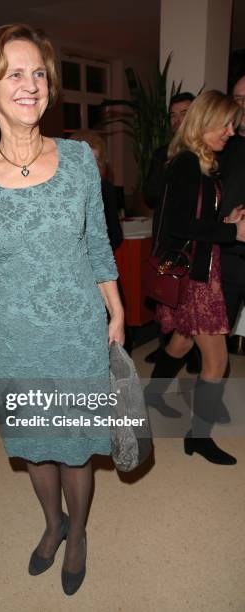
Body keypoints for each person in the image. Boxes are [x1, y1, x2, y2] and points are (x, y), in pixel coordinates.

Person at [0, 24, 124, 596]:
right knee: (33, 442)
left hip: (78, 328)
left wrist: (116, 309)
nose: (32, 84)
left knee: (75, 445)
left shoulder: (77, 159)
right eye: (15, 74)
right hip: (17, 334)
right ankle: (52, 525)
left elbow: (98, 242)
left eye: (39, 72)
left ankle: (78, 536)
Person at [146, 90, 245, 465]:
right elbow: (179, 225)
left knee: (182, 343)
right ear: (206, 122)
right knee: (216, 361)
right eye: (226, 125)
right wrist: (232, 233)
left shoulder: (203, 162)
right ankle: (198, 438)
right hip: (195, 276)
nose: (231, 133)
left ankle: (150, 398)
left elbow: (197, 221)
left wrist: (225, 221)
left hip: (202, 269)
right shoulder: (187, 163)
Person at [143, 92, 196, 366]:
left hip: (198, 241)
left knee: (193, 300)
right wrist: (167, 168)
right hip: (166, 240)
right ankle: (166, 348)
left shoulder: (206, 152)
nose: (177, 121)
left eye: (184, 114)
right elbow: (150, 194)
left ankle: (193, 353)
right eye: (173, 115)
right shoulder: (163, 153)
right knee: (164, 294)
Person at [218, 75, 245, 337]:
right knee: (216, 338)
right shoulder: (221, 146)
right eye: (238, 99)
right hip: (228, 257)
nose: (243, 105)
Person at [69, 130, 123, 252]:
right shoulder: (60, 192)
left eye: (95, 161)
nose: (90, 167)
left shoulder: (105, 189)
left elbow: (115, 235)